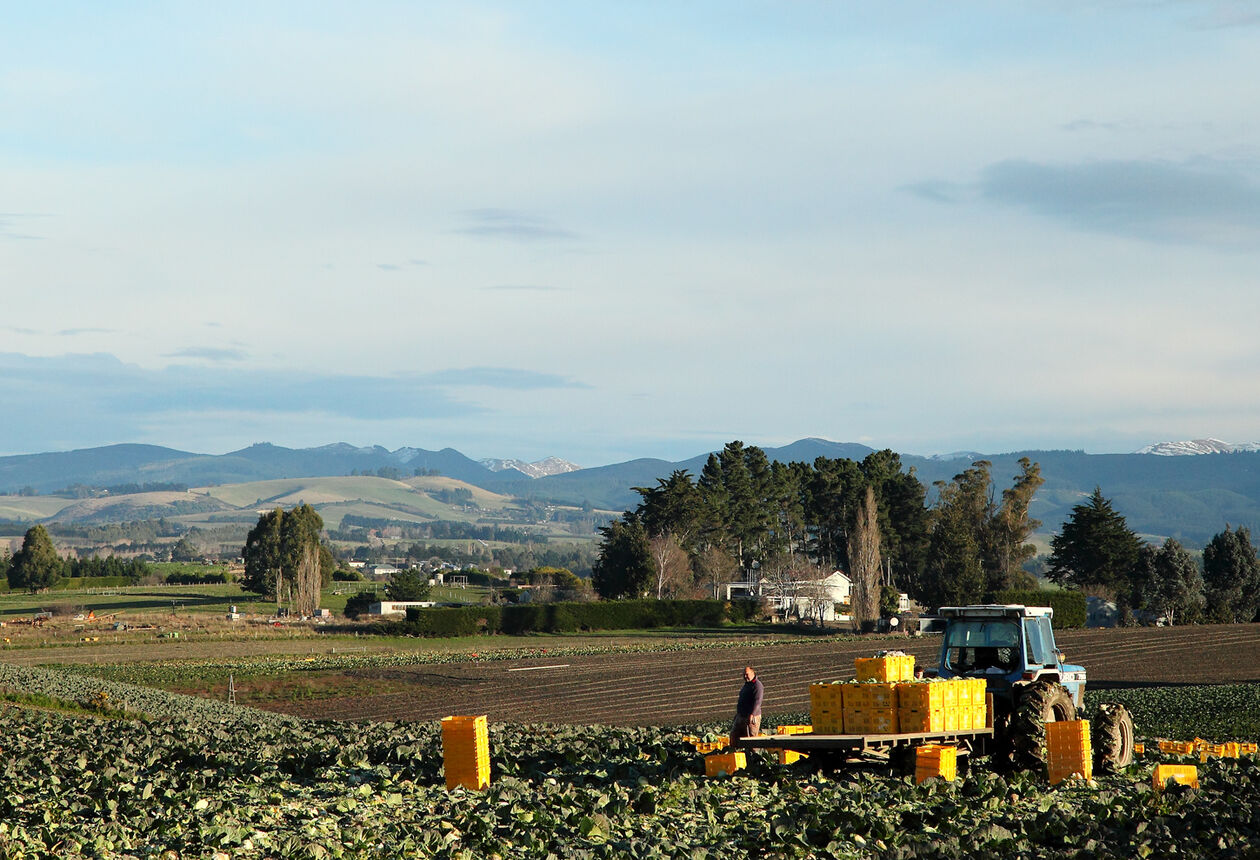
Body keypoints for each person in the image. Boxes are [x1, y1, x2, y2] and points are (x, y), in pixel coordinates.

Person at [730, 666, 763, 746]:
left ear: (753, 673)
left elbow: (758, 701)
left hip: (751, 717)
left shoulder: (757, 685)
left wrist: (752, 714)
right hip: (741, 716)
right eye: (744, 675)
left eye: (747, 674)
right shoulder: (747, 685)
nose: (745, 676)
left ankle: (754, 756)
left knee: (751, 739)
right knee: (734, 736)